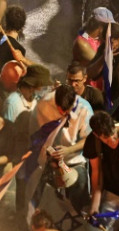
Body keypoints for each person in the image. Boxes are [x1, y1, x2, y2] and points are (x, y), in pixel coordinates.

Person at [33, 84, 94, 212]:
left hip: (73, 160)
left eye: (68, 110)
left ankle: (78, 220)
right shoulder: (44, 103)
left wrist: (68, 151)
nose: (64, 114)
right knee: (37, 194)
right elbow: (39, 133)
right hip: (48, 159)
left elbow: (89, 138)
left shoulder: (84, 108)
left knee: (78, 197)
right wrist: (49, 151)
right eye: (61, 110)